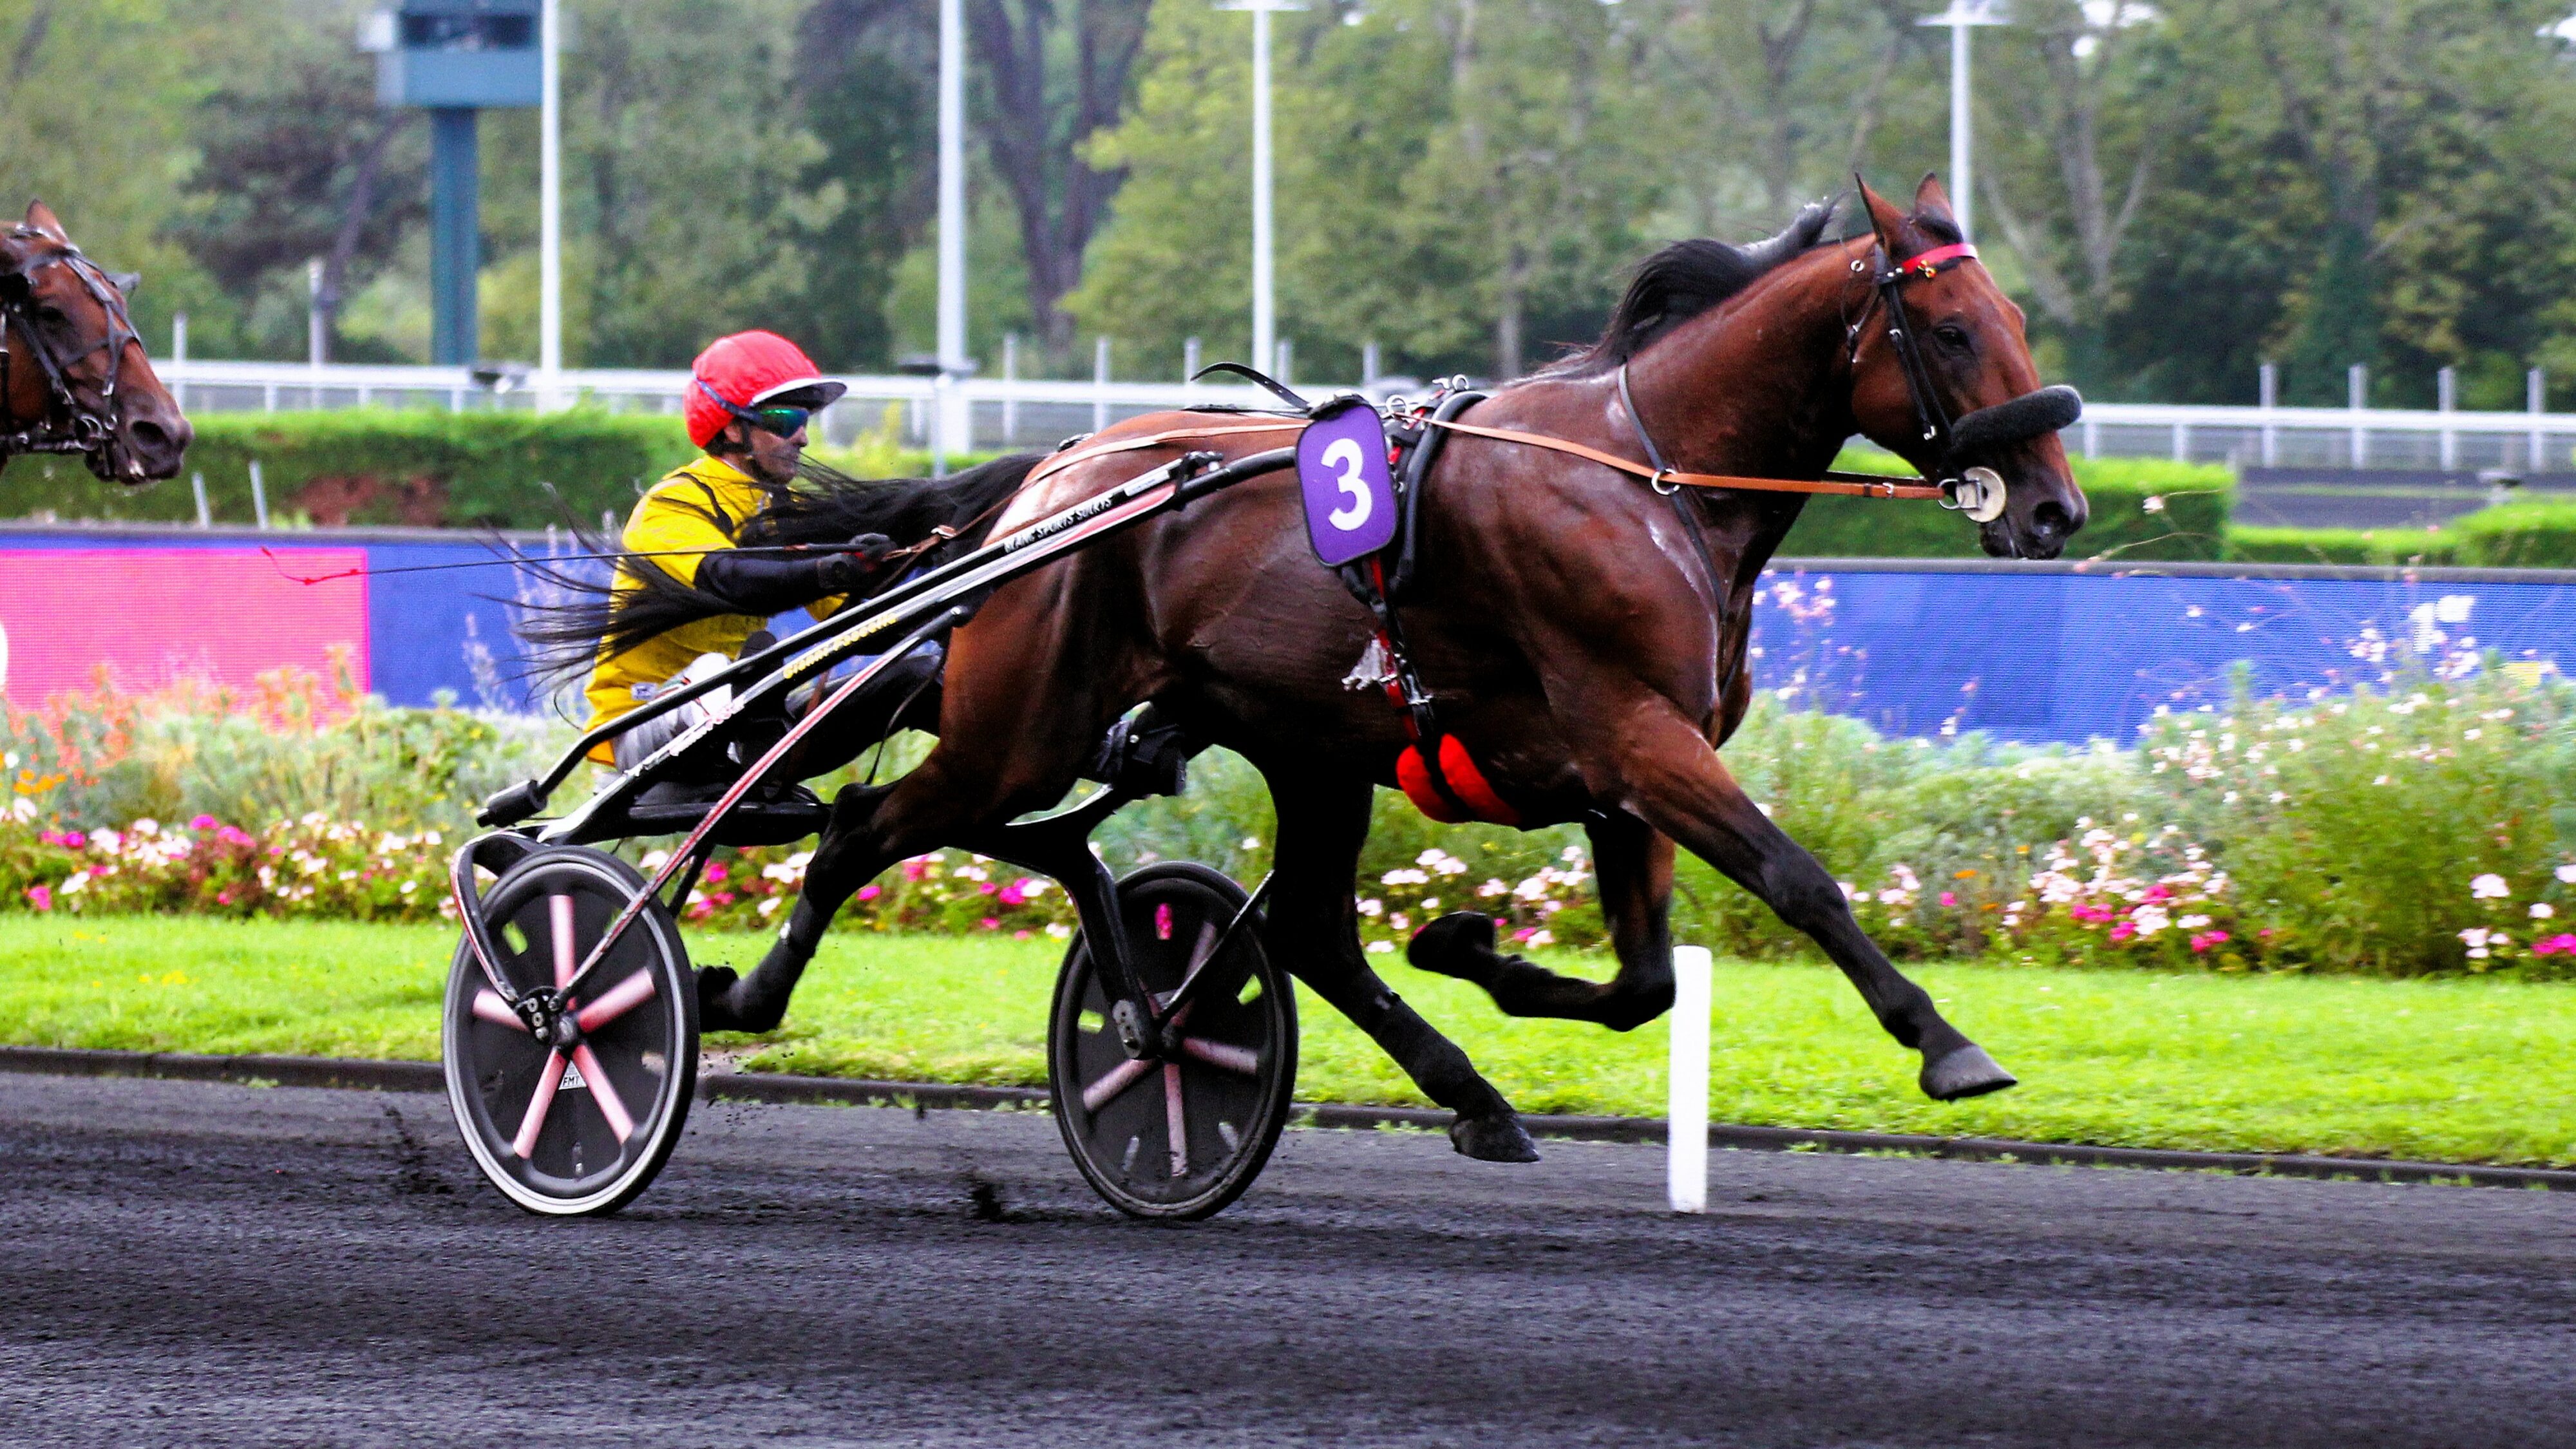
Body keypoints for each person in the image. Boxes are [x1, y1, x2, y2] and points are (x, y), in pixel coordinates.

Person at [580, 330, 895, 786]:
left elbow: (861, 630)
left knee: (907, 676)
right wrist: (831, 568)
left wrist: (882, 573)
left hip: (738, 706)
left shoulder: (786, 512)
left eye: (805, 420)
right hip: (639, 724)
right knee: (716, 671)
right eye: (786, 420)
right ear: (732, 428)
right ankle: (749, 744)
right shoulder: (672, 504)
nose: (803, 437)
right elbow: (730, 580)